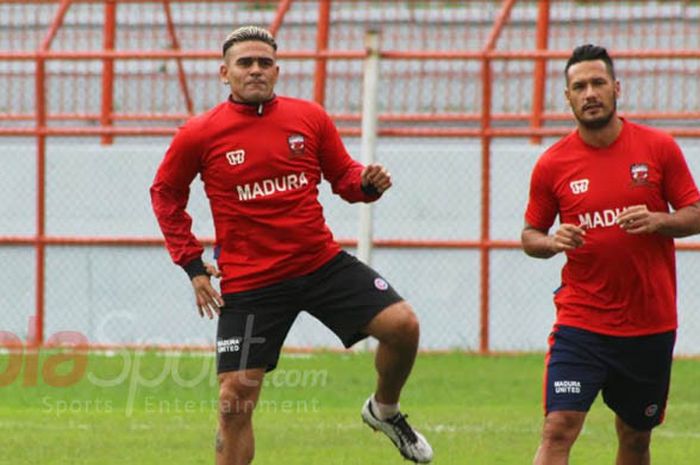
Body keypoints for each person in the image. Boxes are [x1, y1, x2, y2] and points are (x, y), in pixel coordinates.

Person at [150, 25, 433, 465]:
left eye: (264, 62)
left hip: (320, 265)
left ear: (277, 70)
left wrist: (366, 183)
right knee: (234, 402)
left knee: (403, 326)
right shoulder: (199, 133)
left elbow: (344, 178)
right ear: (225, 74)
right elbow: (166, 193)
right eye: (245, 63)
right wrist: (193, 266)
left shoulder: (309, 117)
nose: (256, 70)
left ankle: (384, 410)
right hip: (251, 282)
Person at [522, 43, 700, 465]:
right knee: (559, 428)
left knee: (636, 437)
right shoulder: (553, 164)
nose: (590, 93)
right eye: (579, 86)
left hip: (648, 324)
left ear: (616, 87)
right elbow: (530, 235)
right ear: (567, 98)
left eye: (598, 83)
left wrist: (659, 221)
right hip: (582, 322)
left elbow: (695, 213)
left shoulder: (658, 148)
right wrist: (553, 241)